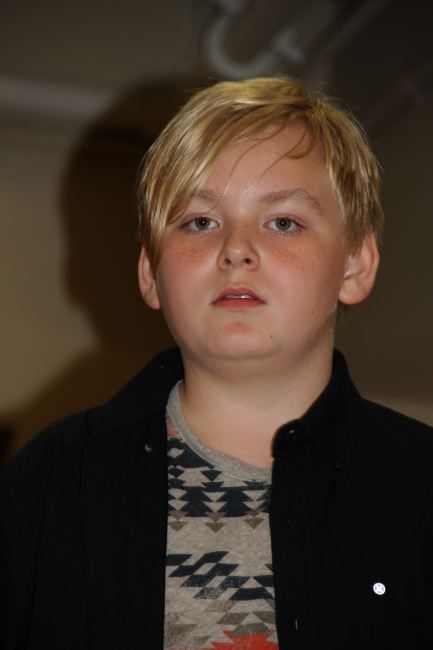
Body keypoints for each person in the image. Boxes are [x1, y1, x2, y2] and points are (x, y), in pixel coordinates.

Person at [1, 77, 432, 650]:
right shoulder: (51, 481)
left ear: (354, 266)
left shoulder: (422, 489)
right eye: (200, 222)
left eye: (283, 222)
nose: (236, 249)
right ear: (151, 274)